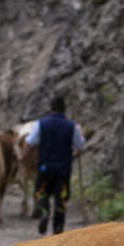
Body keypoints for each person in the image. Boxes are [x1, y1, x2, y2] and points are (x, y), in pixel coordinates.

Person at [30, 95, 84, 237]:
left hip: (44, 167)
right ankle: (58, 230)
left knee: (41, 193)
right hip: (63, 169)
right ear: (64, 110)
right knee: (61, 198)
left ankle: (44, 211)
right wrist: (80, 131)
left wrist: (23, 158)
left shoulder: (41, 123)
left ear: (50, 109)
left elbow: (30, 142)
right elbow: (80, 145)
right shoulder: (70, 126)